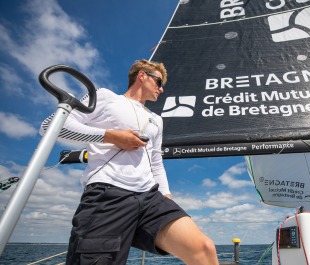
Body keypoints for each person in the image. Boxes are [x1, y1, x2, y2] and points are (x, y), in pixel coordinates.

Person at [40, 59, 218, 265]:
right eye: (159, 83)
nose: (161, 89)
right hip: (108, 193)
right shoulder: (106, 97)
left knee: (203, 249)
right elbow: (50, 126)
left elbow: (156, 159)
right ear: (142, 76)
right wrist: (110, 136)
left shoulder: (156, 120)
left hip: (149, 195)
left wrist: (166, 194)